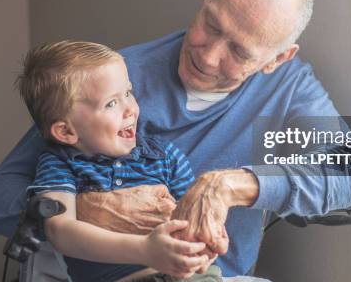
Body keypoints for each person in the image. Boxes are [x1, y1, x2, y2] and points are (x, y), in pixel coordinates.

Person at [0, 0, 351, 279]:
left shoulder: (289, 86)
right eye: (211, 24)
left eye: (239, 52)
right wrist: (84, 208)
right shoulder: (114, 81)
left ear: (277, 59)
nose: (207, 55)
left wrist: (238, 184)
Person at [15, 40, 215, 281]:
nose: (129, 109)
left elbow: (194, 214)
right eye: (111, 103)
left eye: (128, 93)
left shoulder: (165, 156)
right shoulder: (60, 164)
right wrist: (146, 250)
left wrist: (208, 236)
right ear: (67, 132)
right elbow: (60, 230)